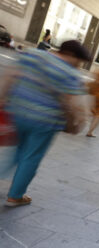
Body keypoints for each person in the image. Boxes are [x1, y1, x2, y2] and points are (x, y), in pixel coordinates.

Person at [0, 40, 90, 206]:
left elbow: (10, 75)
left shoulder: (31, 54)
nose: (78, 66)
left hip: (17, 112)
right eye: (79, 61)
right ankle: (15, 196)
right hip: (45, 121)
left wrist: (2, 99)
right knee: (31, 157)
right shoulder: (70, 73)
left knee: (17, 150)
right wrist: (77, 123)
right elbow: (74, 103)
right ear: (70, 54)